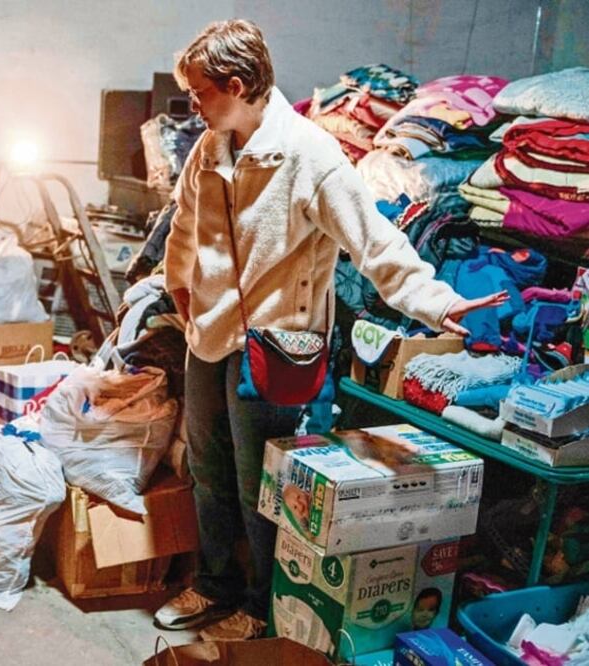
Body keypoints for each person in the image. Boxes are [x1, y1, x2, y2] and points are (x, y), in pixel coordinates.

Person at [154, 19, 507, 640]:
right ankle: (214, 585)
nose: (192, 106)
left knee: (260, 488)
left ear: (237, 85)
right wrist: (178, 289)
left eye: (199, 93)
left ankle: (261, 608)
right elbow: (185, 228)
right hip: (206, 335)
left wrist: (435, 301)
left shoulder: (308, 155)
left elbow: (374, 239)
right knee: (207, 473)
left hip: (272, 347)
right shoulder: (210, 149)